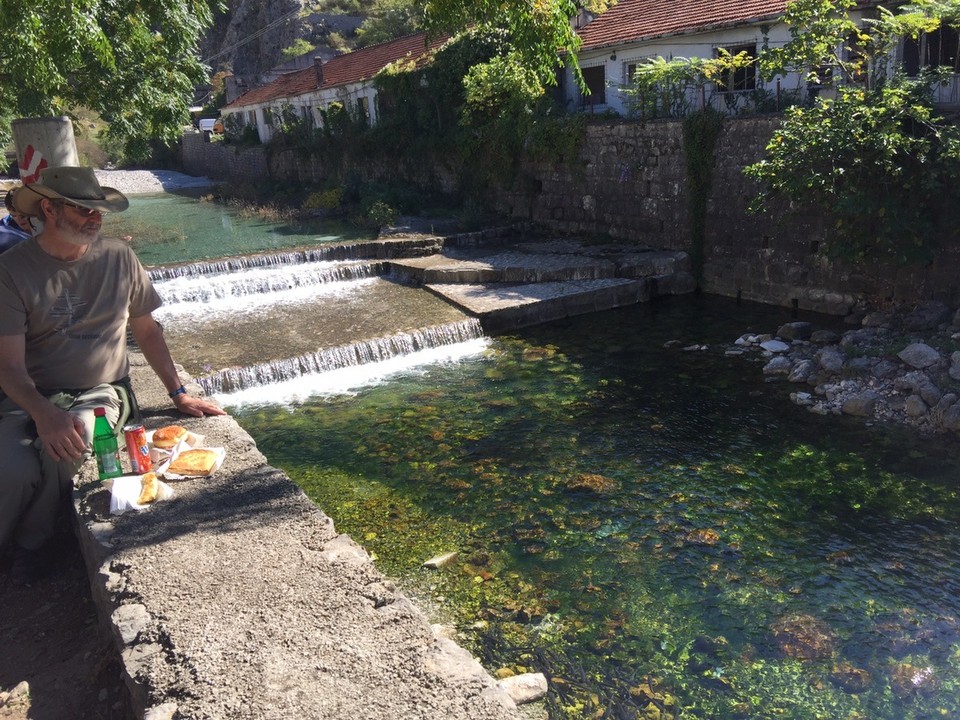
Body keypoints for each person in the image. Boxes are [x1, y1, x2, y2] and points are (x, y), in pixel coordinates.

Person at [0, 166, 226, 584]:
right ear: (48, 208)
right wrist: (42, 412)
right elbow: (9, 367)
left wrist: (178, 393)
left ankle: (34, 545)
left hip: (101, 390)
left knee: (73, 441)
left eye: (99, 210)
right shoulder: (12, 270)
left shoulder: (119, 258)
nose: (95, 218)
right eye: (84, 210)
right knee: (12, 469)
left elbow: (146, 330)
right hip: (27, 395)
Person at [0, 188, 33, 253]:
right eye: (14, 215)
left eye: (22, 215)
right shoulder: (7, 226)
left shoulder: (44, 224)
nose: (19, 219)